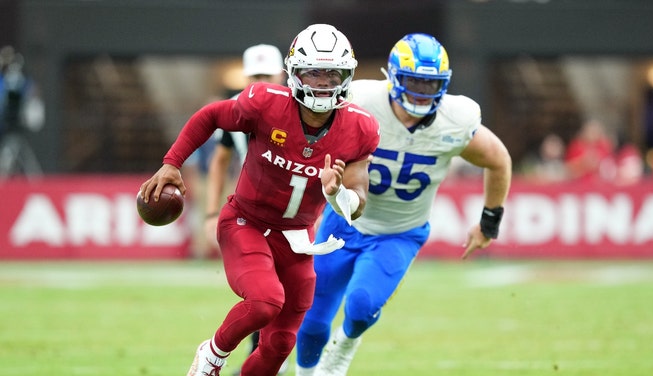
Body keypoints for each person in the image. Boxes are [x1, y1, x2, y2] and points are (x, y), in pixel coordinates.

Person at [138, 24, 380, 376]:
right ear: (295, 74)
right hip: (246, 223)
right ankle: (211, 357)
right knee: (266, 301)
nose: (323, 82)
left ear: (347, 76)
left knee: (281, 344)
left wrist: (336, 192)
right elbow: (210, 116)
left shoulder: (361, 128)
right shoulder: (265, 102)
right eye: (313, 72)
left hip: (297, 240)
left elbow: (358, 204)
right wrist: (172, 163)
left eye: (332, 73)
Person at [294, 33, 512, 375]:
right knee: (312, 319)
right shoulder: (361, 100)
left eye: (431, 84)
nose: (423, 93)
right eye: (414, 82)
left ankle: (346, 346)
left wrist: (489, 222)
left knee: (362, 306)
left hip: (399, 233)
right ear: (394, 77)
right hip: (343, 222)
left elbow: (498, 160)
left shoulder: (455, 120)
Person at [203, 44, 287, 375]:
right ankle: (258, 359)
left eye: (267, 76)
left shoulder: (301, 109)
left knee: (292, 295)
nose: (261, 82)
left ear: (282, 75)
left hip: (296, 217)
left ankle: (266, 359)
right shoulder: (238, 110)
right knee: (264, 293)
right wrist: (211, 212)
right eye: (255, 76)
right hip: (253, 214)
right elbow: (220, 159)